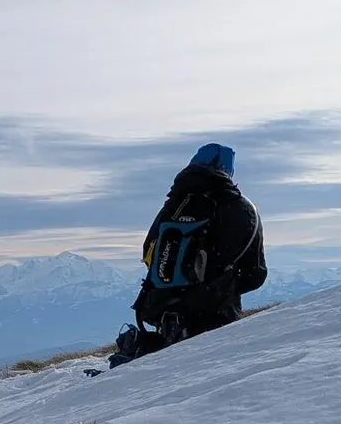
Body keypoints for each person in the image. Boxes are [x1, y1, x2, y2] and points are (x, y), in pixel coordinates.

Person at [110, 142, 266, 368]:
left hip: (163, 307)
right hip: (214, 310)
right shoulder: (242, 208)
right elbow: (256, 274)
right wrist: (221, 283)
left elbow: (148, 253)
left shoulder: (174, 205)